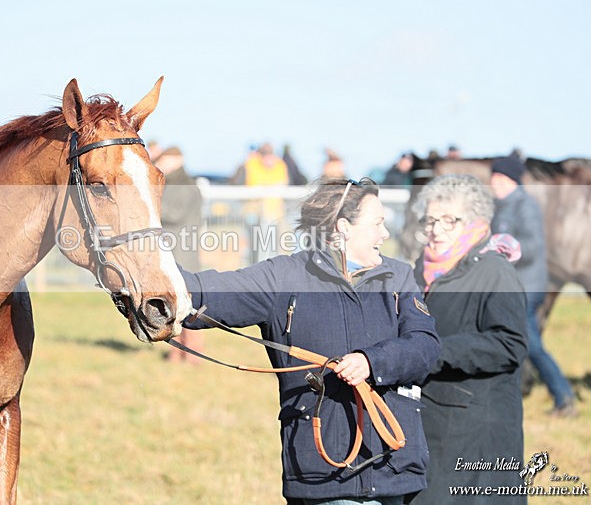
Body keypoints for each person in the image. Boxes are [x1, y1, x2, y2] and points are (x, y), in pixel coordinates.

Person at [180, 178, 441, 504]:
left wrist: (372, 361)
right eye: (377, 223)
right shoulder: (283, 277)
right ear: (343, 227)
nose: (385, 234)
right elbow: (205, 293)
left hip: (396, 469)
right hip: (324, 473)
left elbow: (425, 346)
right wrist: (142, 273)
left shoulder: (400, 276)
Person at [408, 174, 528, 505]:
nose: (437, 229)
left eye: (450, 220)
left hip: (476, 427)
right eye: (431, 220)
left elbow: (510, 344)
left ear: (474, 222)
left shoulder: (494, 271)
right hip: (430, 420)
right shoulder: (423, 270)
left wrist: (433, 353)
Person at [489, 153, 576, 417]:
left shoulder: (525, 205)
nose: (493, 182)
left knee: (531, 344)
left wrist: (501, 247)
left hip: (526, 287)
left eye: (497, 177)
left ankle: (563, 397)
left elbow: (534, 247)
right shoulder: (501, 205)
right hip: (509, 286)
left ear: (509, 179)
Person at [152, 146, 205, 363]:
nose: (161, 164)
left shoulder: (184, 184)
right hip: (177, 251)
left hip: (182, 253)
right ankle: (177, 351)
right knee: (175, 306)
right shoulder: (179, 182)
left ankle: (192, 353)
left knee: (188, 306)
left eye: (164, 160)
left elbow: (173, 213)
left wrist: (151, 206)